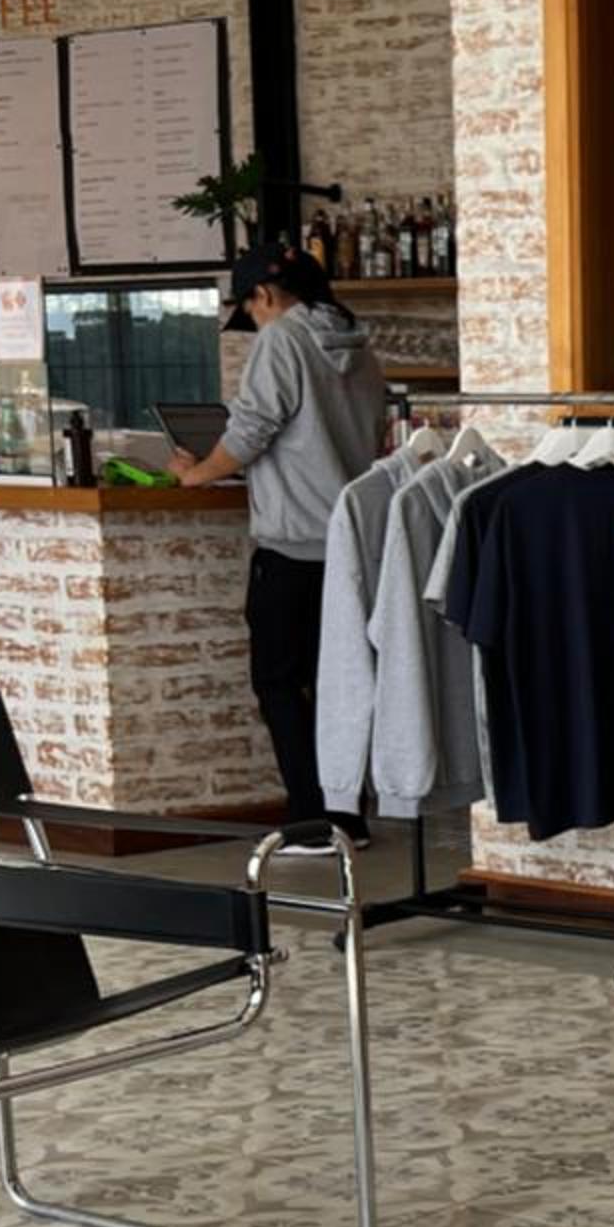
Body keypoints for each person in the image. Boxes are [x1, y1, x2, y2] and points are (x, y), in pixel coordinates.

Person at [170, 246, 385, 832]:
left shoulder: (282, 340)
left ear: (263, 295)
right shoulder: (359, 344)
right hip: (350, 546)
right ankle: (348, 819)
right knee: (338, 685)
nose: (254, 320)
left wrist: (196, 473)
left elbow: (251, 430)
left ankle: (313, 823)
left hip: (292, 548)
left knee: (279, 683)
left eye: (250, 309)